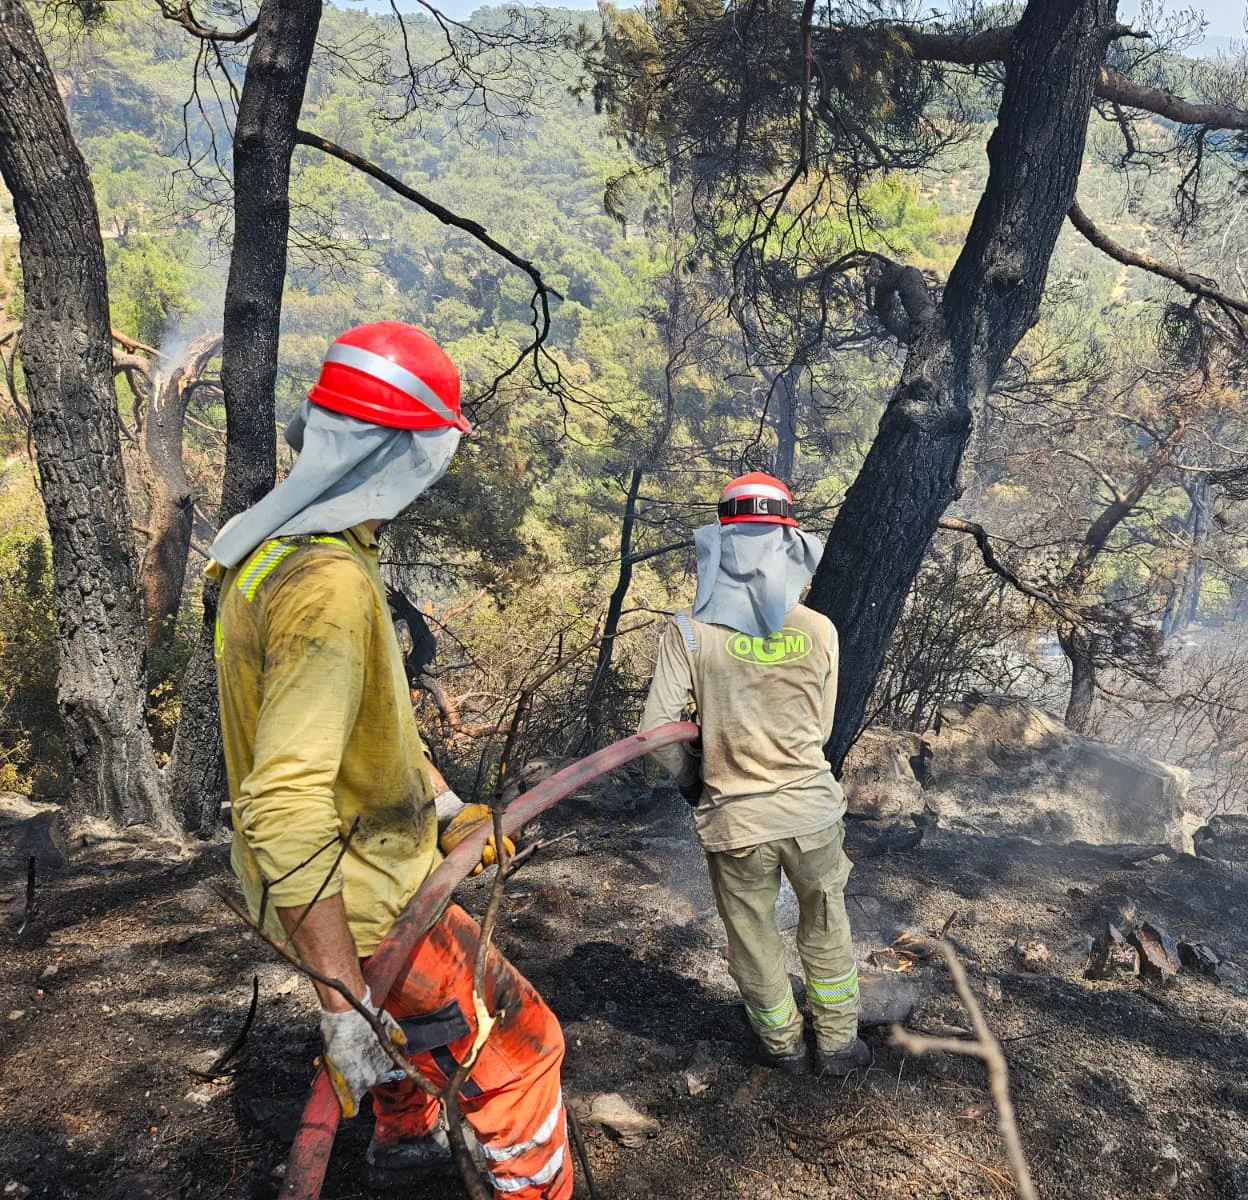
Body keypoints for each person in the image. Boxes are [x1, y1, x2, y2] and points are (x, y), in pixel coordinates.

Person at [211, 322, 570, 1197]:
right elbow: (285, 804)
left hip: (316, 880)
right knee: (524, 1053)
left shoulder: (275, 550)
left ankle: (404, 1147)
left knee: (407, 1027)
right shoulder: (328, 587)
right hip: (360, 898)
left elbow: (367, 728)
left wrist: (445, 811)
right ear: (406, 453)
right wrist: (340, 1004)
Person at [638, 472, 872, 1077]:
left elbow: (657, 731)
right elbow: (819, 731)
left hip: (736, 820)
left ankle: (784, 1049)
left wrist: (695, 778)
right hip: (812, 812)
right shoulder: (819, 630)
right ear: (789, 546)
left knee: (753, 936)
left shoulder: (688, 630)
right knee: (826, 927)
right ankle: (841, 1046)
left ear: (719, 544)